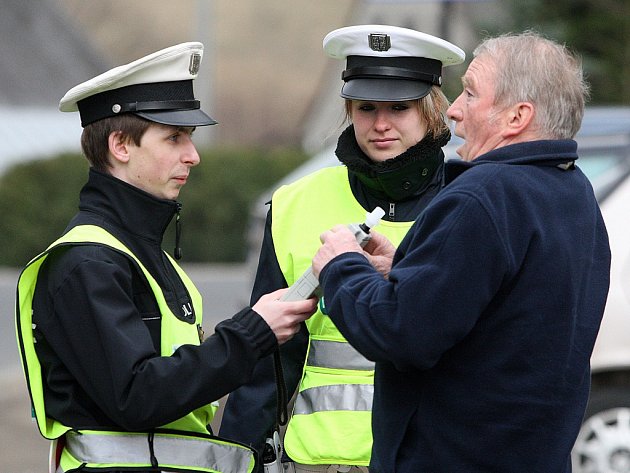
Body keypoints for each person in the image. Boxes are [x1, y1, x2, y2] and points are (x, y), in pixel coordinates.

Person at [311, 31, 611, 472]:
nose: (453, 109)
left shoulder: (485, 195)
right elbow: (507, 305)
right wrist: (408, 269)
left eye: (470, 93)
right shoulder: (573, 190)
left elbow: (399, 333)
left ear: (517, 117)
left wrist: (342, 266)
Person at [15, 42, 317, 473]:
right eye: (174, 137)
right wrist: (252, 332)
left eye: (190, 138)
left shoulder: (138, 252)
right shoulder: (88, 262)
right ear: (120, 145)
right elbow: (138, 396)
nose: (192, 155)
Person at [220, 25, 465, 472]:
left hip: (431, 457)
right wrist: (239, 457)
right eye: (366, 107)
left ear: (432, 111)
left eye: (400, 107)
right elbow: (268, 359)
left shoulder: (469, 202)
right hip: (318, 462)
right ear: (349, 108)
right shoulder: (296, 203)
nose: (381, 123)